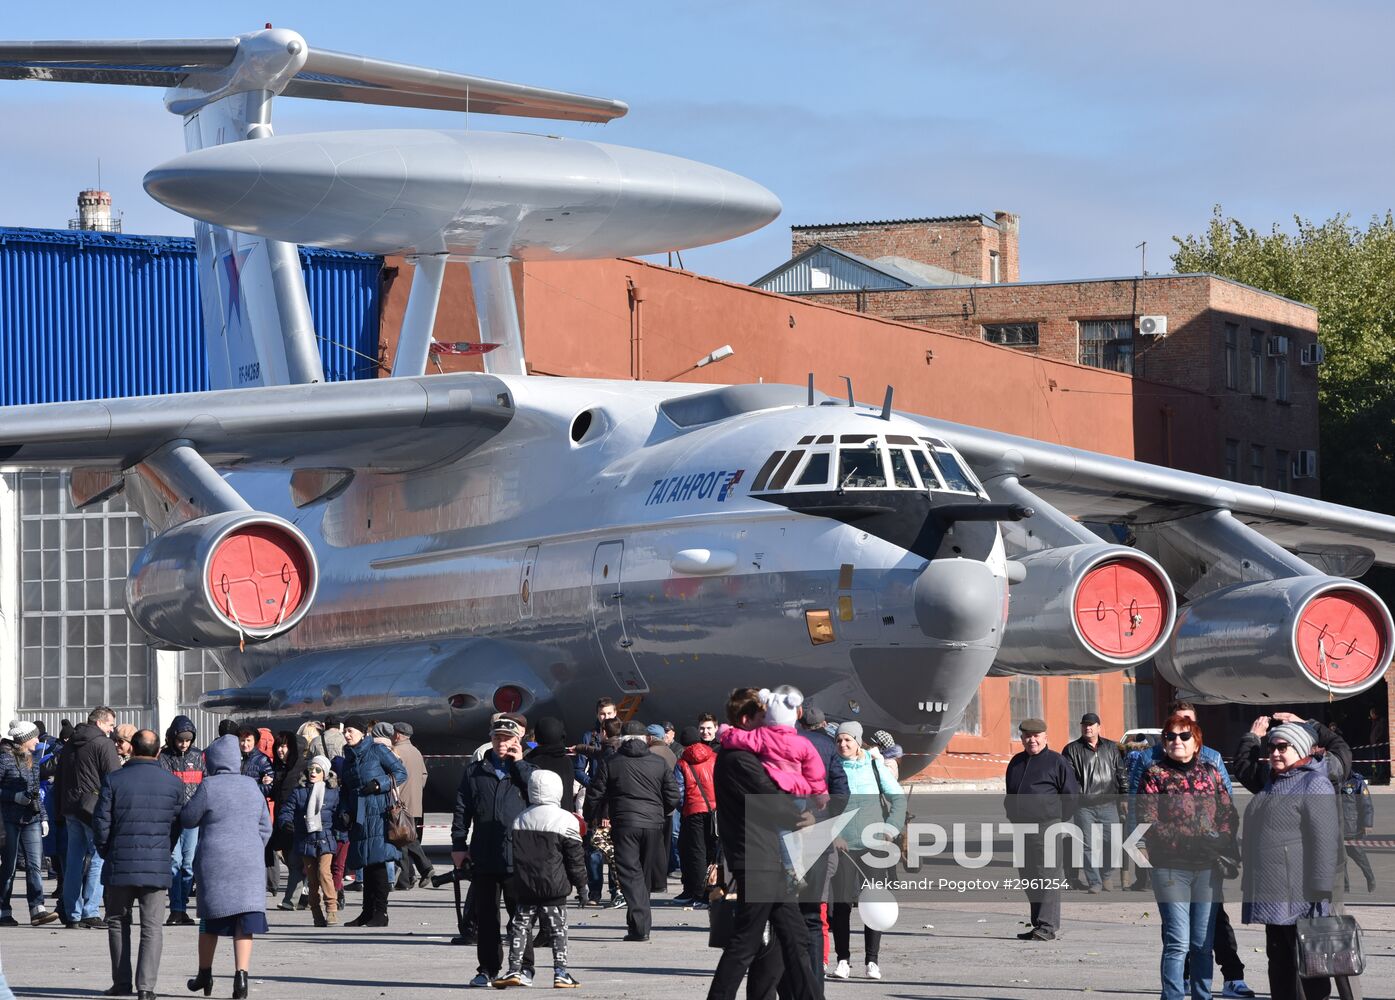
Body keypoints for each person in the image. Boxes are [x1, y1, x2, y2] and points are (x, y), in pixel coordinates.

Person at [1133, 701, 1253, 998]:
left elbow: (1228, 813)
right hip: (1170, 868)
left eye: (1184, 736)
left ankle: (1203, 995)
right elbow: (1147, 819)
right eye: (1171, 736)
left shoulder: (1211, 773)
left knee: (1202, 943)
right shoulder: (1154, 774)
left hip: (1207, 869)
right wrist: (1189, 840)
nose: (1177, 741)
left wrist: (1221, 839)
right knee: (1178, 942)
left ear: (1196, 742)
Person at [705, 687, 818, 1000]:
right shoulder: (738, 759)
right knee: (746, 942)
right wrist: (801, 817)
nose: (768, 723)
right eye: (761, 717)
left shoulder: (745, 755)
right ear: (745, 719)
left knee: (795, 938)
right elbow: (768, 798)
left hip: (768, 859)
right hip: (757, 859)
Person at [1240, 722, 1342, 1000]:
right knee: (1279, 962)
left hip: (1301, 894)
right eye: (1271, 747)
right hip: (1272, 891)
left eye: (1282, 747)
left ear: (1300, 749)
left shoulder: (1314, 783)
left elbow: (1325, 839)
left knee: (1310, 964)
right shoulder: (1275, 781)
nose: (1275, 753)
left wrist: (1320, 889)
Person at [92, 729, 184, 1000]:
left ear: (131, 748)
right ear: (158, 751)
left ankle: (121, 983)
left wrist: (106, 850)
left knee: (118, 922)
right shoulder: (173, 784)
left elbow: (101, 822)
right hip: (156, 863)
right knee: (152, 927)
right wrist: (164, 849)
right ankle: (146, 987)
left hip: (120, 861)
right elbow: (176, 825)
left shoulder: (114, 780)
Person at [180, 733, 273, 1000]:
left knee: (210, 920)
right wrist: (251, 847)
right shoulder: (252, 786)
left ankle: (204, 973)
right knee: (245, 921)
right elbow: (265, 827)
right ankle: (241, 978)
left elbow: (188, 818)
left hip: (216, 862)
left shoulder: (209, 786)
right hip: (249, 863)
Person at [455, 713, 538, 987]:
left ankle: (524, 967)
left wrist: (520, 763)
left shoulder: (528, 770)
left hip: (518, 855)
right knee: (487, 917)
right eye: (497, 737)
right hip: (485, 854)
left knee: (520, 917)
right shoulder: (475, 771)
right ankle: (488, 969)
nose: (502, 743)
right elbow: (462, 810)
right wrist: (458, 845)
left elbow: (537, 798)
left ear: (517, 740)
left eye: (507, 738)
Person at [584, 720, 680, 942]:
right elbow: (674, 796)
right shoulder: (658, 762)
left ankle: (640, 927)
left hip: (625, 823)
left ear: (621, 740)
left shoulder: (611, 762)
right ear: (646, 739)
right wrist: (660, 812)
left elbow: (595, 794)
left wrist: (590, 818)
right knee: (642, 876)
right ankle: (638, 924)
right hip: (654, 825)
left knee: (630, 874)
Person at [492, 769, 588, 989]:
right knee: (558, 930)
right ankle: (561, 972)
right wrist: (582, 886)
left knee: (520, 927)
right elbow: (575, 859)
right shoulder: (566, 819)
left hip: (525, 885)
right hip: (555, 886)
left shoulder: (520, 819)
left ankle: (515, 969)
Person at [826, 720, 903, 981]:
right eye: (839, 740)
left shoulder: (874, 765)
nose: (843, 744)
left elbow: (897, 798)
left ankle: (872, 961)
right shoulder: (832, 767)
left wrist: (891, 828)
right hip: (844, 847)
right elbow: (823, 805)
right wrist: (834, 835)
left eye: (848, 740)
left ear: (858, 741)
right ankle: (843, 960)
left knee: (874, 904)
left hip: (873, 846)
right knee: (841, 906)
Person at [1004, 717, 1078, 942]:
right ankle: (1038, 924)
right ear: (1021, 738)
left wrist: (1056, 818)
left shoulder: (1057, 762)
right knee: (1028, 876)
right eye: (1027, 736)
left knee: (1047, 876)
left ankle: (1047, 926)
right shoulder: (1016, 762)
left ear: (1045, 737)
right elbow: (1010, 794)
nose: (1032, 740)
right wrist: (1012, 814)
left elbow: (1071, 795)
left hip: (1047, 826)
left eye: (1036, 736)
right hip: (1021, 828)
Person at [55, 705, 122, 928]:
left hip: (71, 808)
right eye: (111, 724)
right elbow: (114, 778)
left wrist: (59, 810)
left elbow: (59, 777)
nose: (112, 729)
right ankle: (90, 911)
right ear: (100, 722)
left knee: (74, 860)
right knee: (98, 858)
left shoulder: (70, 744)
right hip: (94, 809)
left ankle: (71, 913)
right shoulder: (103, 743)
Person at [339, 719, 408, 927]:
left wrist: (379, 784)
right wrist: (344, 811)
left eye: (350, 731)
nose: (346, 735)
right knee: (366, 863)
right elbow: (346, 789)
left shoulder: (377, 750)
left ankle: (381, 913)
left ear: (362, 732)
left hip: (379, 813)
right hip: (360, 815)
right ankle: (367, 912)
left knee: (377, 862)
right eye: (345, 731)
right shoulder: (349, 758)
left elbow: (401, 773)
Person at [0, 720, 59, 926]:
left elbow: (35, 792)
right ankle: (3, 910)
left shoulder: (32, 759)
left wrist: (43, 817)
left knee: (35, 865)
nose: (37, 741)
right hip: (9, 819)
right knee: (9, 867)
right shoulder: (4, 759)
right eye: (34, 737)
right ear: (24, 739)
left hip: (31, 818)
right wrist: (14, 796)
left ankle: (37, 909)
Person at [1063, 712, 1126, 892]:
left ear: (1099, 727)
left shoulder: (1111, 747)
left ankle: (1106, 875)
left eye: (1091, 725)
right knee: (1087, 845)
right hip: (1084, 807)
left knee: (1114, 843)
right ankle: (1095, 882)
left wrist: (1124, 797)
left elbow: (1121, 773)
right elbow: (1068, 778)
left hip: (1109, 804)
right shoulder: (1071, 749)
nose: (1087, 728)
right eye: (1085, 725)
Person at [277, 755, 341, 926]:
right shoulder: (299, 791)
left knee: (324, 873)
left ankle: (331, 910)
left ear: (325, 773)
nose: (313, 772)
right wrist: (286, 822)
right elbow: (286, 810)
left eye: (318, 770)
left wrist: (344, 822)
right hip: (305, 840)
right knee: (312, 880)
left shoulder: (333, 792)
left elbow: (339, 812)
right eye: (311, 769)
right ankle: (316, 913)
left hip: (326, 838)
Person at [573, 699, 621, 907]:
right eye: (602, 714)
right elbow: (578, 769)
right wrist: (592, 784)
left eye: (609, 714)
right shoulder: (590, 736)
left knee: (614, 848)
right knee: (593, 849)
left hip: (615, 800)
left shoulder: (620, 738)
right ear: (596, 715)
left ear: (615, 714)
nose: (605, 717)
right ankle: (594, 892)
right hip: (596, 797)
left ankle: (616, 890)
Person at [158, 715, 204, 927]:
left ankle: (182, 907)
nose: (184, 744)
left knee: (188, 864)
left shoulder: (199, 757)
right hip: (171, 818)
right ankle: (176, 908)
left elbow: (205, 784)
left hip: (192, 818)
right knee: (174, 861)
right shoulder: (164, 757)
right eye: (180, 740)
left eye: (188, 740)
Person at [674, 725, 718, 907]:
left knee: (697, 853)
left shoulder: (682, 762)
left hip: (693, 812)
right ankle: (713, 891)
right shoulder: (714, 757)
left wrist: (684, 808)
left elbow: (679, 792)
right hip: (715, 811)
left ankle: (700, 894)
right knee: (713, 851)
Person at [391, 722, 435, 890]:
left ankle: (408, 878)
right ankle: (415, 874)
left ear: (398, 735)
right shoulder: (416, 751)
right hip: (415, 803)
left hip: (400, 804)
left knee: (401, 840)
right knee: (409, 838)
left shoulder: (396, 752)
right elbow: (424, 775)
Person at [1339, 769, 1376, 893]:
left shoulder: (1357, 782)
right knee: (1340, 859)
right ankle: (1345, 887)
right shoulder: (1331, 780)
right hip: (1336, 828)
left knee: (1359, 856)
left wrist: (1367, 824)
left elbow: (1366, 804)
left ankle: (1370, 878)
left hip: (1352, 828)